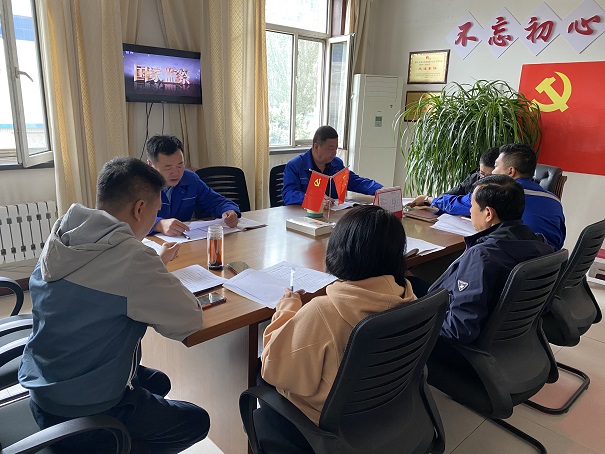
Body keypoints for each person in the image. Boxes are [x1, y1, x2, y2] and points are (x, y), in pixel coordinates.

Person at [18, 157, 210, 453]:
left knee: (158, 382)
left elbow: (101, 282)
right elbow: (189, 319)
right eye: (156, 212)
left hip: (44, 387)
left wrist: (152, 268)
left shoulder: (64, 233)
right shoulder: (133, 258)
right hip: (83, 410)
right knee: (197, 421)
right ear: (139, 209)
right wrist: (152, 270)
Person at [257, 205, 416, 453]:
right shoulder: (408, 296)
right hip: (382, 409)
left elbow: (273, 369)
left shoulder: (323, 311)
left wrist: (287, 308)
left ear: (340, 251)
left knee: (261, 370)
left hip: (326, 427)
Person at [428, 174, 553, 343]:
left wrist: (421, 325)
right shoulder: (541, 244)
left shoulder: (482, 256)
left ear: (488, 213)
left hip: (458, 345)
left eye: (472, 206)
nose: (470, 211)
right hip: (512, 338)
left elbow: (459, 329)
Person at [409, 144, 566, 250]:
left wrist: (429, 199)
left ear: (511, 171)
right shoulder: (554, 199)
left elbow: (456, 204)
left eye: (496, 167)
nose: (493, 172)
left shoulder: (497, 195)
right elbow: (560, 238)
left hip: (510, 265)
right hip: (548, 270)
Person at [146, 135, 240, 236]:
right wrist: (159, 225)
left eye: (180, 165)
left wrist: (229, 211)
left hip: (184, 240)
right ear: (151, 165)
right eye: (168, 168)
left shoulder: (190, 180)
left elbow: (216, 202)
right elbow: (133, 221)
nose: (176, 173)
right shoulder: (140, 185)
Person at [282, 126, 383, 205]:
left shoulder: (336, 164)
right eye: (330, 149)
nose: (334, 153)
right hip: (304, 215)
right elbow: (289, 194)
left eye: (336, 148)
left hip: (332, 214)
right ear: (316, 147)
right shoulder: (295, 166)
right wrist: (313, 199)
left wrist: (379, 189)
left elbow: (354, 181)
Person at [407, 146, 500, 206]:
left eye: (489, 176)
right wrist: (432, 201)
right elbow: (447, 196)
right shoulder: (475, 177)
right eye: (482, 173)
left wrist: (428, 200)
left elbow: (462, 205)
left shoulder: (500, 190)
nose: (482, 179)